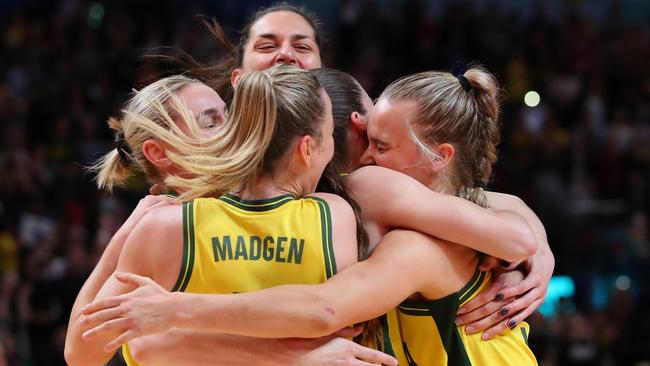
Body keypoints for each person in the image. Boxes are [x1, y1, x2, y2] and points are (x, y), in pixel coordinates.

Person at [80, 67, 541, 366]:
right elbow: (124, 346)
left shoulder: (361, 202)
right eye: (212, 119)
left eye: (380, 145)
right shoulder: (169, 220)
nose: (371, 162)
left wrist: (536, 251)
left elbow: (324, 309)